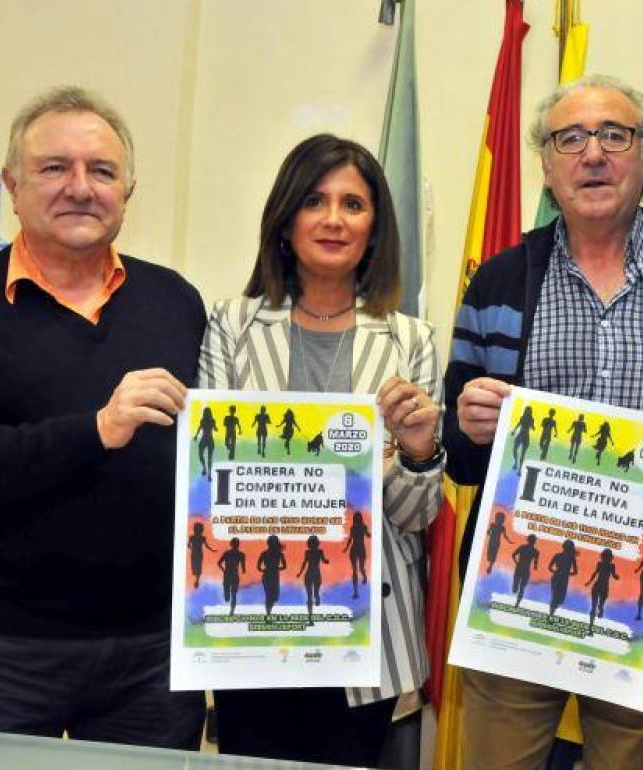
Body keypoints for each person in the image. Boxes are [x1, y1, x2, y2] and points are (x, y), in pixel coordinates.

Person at [0, 86, 206, 747]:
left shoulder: (174, 301)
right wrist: (97, 429)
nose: (80, 187)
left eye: (102, 171)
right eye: (54, 167)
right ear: (12, 184)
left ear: (129, 189)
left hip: (152, 652)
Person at [443, 73, 643, 770]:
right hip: (515, 577)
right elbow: (458, 454)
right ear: (546, 164)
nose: (592, 154)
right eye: (571, 138)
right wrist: (466, 423)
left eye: (614, 135)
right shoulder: (499, 279)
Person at [198, 133, 445, 768]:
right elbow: (208, 478)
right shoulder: (231, 325)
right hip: (251, 614)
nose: (334, 219)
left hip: (366, 629)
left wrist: (417, 455)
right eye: (314, 200)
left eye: (353, 205)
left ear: (375, 228)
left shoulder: (411, 341)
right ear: (285, 221)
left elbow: (415, 516)